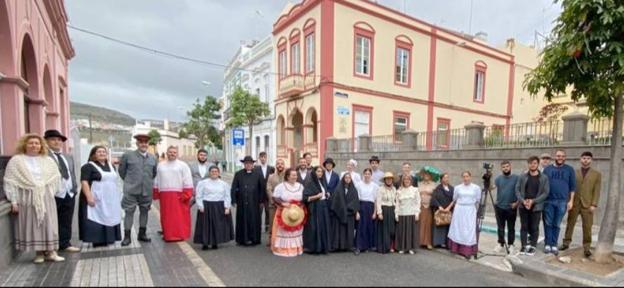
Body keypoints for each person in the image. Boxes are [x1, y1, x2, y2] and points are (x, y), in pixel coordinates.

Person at [4, 134, 64, 263]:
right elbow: (10, 181)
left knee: (49, 224)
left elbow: (56, 177)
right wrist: (14, 200)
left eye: (37, 143)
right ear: (24, 144)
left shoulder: (47, 160)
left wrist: (49, 192)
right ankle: (39, 253)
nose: (34, 146)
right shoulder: (17, 160)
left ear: (41, 145)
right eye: (30, 143)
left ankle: (52, 252)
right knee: (35, 224)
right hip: (27, 197)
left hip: (45, 196)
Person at [79, 146, 122, 247]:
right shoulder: (88, 167)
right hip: (96, 197)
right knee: (96, 217)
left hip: (110, 198)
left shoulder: (111, 166)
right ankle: (98, 240)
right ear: (93, 154)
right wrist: (89, 197)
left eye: (104, 152)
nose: (102, 153)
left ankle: (110, 238)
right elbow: (84, 182)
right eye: (99, 152)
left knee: (109, 217)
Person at [44, 129, 80, 253]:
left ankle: (64, 244)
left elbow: (72, 173)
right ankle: (50, 246)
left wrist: (74, 188)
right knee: (51, 221)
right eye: (53, 139)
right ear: (46, 141)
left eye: (59, 140)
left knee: (66, 219)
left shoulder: (68, 157)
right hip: (54, 193)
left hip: (68, 193)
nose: (57, 142)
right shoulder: (44, 157)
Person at [119, 134, 158, 246]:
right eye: (141, 142)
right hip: (131, 191)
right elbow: (122, 172)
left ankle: (142, 234)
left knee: (144, 212)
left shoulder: (153, 158)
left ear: (148, 144)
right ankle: (127, 237)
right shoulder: (128, 155)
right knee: (129, 212)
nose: (143, 144)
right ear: (137, 143)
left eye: (145, 142)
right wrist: (130, 182)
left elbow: (153, 173)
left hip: (146, 191)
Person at [562, 151, 601, 258]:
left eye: (588, 158)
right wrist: (568, 201)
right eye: (584, 158)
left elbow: (597, 191)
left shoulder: (596, 174)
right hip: (574, 203)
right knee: (570, 224)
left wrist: (594, 204)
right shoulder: (574, 172)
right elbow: (569, 188)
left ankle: (587, 248)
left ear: (591, 160)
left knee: (587, 227)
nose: (586, 160)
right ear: (580, 159)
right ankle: (566, 243)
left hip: (588, 205)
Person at [153, 146, 194, 242]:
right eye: (170, 152)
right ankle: (168, 235)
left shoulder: (183, 165)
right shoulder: (161, 165)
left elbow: (187, 179)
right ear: (167, 153)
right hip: (165, 195)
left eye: (174, 152)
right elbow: (157, 178)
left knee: (179, 216)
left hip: (179, 194)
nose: (172, 153)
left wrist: (187, 193)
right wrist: (155, 191)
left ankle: (180, 235)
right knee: (166, 216)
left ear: (177, 154)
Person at [543, 149, 576, 256]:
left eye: (562, 156)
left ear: (565, 157)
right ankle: (547, 243)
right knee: (548, 223)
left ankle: (554, 244)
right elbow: (542, 184)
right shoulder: (547, 169)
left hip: (562, 201)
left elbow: (572, 187)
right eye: (558, 156)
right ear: (555, 157)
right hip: (548, 201)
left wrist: (571, 201)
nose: (560, 158)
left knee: (557, 224)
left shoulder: (569, 170)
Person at [516, 156, 550, 256]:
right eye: (531, 163)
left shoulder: (544, 177)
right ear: (528, 164)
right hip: (524, 206)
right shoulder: (523, 176)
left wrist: (533, 201)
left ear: (538, 164)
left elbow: (545, 193)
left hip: (536, 206)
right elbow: (517, 190)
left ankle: (533, 246)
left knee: (534, 227)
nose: (532, 165)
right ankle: (523, 245)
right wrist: (523, 201)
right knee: (524, 226)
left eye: (535, 163)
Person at [194, 166, 233, 250]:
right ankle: (205, 243)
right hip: (206, 205)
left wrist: (227, 207)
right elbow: (199, 195)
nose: (214, 173)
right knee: (205, 226)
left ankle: (215, 242)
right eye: (212, 171)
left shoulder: (224, 184)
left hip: (219, 206)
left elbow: (227, 196)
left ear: (218, 173)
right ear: (209, 173)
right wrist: (200, 205)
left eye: (216, 171)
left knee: (217, 225)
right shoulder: (203, 183)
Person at [231, 156, 266, 246]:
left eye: (250, 163)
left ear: (252, 164)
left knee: (254, 220)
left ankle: (254, 239)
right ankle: (242, 239)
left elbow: (262, 188)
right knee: (242, 220)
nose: (248, 165)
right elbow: (234, 187)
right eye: (246, 163)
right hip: (242, 201)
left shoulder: (258, 174)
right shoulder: (238, 174)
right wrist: (234, 200)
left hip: (254, 201)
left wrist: (261, 201)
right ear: (244, 164)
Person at [271, 168, 305, 257]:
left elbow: (304, 198)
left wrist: (300, 204)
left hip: (296, 213)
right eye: (293, 175)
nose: (295, 177)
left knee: (295, 231)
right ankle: (282, 249)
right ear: (287, 176)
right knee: (284, 231)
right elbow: (275, 198)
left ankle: (296, 248)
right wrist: (282, 203)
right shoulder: (281, 186)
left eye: (296, 175)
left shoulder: (300, 186)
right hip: (284, 213)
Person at [448, 171, 481, 260]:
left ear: (470, 177)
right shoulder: (457, 187)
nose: (465, 178)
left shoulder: (476, 188)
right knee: (458, 228)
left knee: (468, 230)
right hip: (459, 210)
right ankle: (456, 248)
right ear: (462, 178)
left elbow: (478, 199)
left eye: (467, 176)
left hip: (470, 210)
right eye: (464, 176)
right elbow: (454, 198)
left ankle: (467, 251)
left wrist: (476, 211)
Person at [303, 166, 332, 254]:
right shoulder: (310, 183)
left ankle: (323, 247)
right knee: (315, 227)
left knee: (323, 227)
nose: (320, 173)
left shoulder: (322, 182)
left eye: (321, 172)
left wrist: (327, 194)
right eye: (318, 171)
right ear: (314, 172)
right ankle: (315, 248)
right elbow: (305, 198)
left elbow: (323, 194)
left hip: (323, 207)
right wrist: (316, 196)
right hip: (315, 207)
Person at [493, 160, 519, 254]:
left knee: (511, 227)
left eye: (507, 166)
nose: (506, 168)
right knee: (500, 227)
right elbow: (492, 187)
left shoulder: (516, 178)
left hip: (511, 207)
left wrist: (517, 203)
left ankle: (511, 244)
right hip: (500, 207)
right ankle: (500, 243)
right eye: (503, 167)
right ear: (501, 168)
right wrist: (487, 179)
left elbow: (520, 191)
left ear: (510, 167)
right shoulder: (498, 178)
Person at [329, 173, 360, 253]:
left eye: (349, 177)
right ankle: (338, 246)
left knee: (348, 231)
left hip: (349, 214)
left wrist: (352, 210)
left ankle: (348, 246)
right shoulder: (338, 188)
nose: (347, 179)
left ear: (351, 179)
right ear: (343, 179)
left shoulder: (354, 189)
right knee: (339, 231)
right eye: (346, 177)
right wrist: (342, 208)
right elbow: (335, 200)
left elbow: (355, 201)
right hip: (339, 213)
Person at [354, 168, 379, 254]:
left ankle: (368, 246)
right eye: (366, 173)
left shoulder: (375, 186)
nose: (367, 175)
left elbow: (376, 200)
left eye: (369, 174)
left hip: (371, 207)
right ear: (363, 175)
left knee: (369, 227)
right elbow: (356, 199)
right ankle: (359, 246)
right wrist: (356, 212)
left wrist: (375, 212)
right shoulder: (358, 185)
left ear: (371, 175)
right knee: (361, 227)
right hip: (361, 206)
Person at [395, 174, 421, 255]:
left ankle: (411, 248)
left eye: (408, 179)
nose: (406, 181)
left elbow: (418, 202)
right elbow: (397, 204)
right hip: (402, 213)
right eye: (405, 179)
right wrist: (396, 214)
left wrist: (417, 213)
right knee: (402, 232)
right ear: (402, 181)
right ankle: (402, 248)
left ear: (411, 181)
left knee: (411, 232)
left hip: (411, 213)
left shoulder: (415, 190)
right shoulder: (399, 191)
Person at [376, 172, 397, 254]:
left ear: (392, 180)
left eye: (390, 179)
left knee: (392, 229)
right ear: (385, 180)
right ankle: (384, 247)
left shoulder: (394, 189)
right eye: (387, 179)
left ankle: (391, 245)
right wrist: (379, 212)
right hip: (384, 209)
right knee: (384, 230)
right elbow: (378, 201)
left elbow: (395, 201)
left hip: (392, 210)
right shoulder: (381, 189)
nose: (389, 180)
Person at [266, 159, 286, 246]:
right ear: (276, 165)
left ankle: (283, 240)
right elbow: (268, 189)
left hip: (285, 204)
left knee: (285, 222)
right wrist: (273, 200)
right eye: (278, 164)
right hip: (273, 204)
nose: (280, 165)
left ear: (284, 165)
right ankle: (271, 239)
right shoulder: (271, 176)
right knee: (272, 222)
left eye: (282, 164)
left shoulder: (287, 176)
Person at [254, 152, 275, 233]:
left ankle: (267, 227)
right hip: (259, 195)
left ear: (267, 158)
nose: (263, 159)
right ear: (259, 158)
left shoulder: (271, 168)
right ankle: (257, 227)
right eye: (261, 157)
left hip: (268, 195)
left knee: (268, 212)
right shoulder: (255, 168)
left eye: (264, 157)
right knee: (258, 212)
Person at [431, 173, 454, 248]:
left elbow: (454, 199)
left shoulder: (452, 188)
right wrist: (439, 206)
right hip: (440, 211)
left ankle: (446, 243)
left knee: (447, 227)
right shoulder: (437, 188)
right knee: (439, 226)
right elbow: (433, 198)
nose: (446, 179)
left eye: (447, 177)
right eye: (444, 178)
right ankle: (438, 242)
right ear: (441, 179)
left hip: (448, 210)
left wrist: (449, 207)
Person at [418, 169, 437, 250]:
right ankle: (419, 242)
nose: (426, 176)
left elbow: (436, 195)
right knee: (420, 224)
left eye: (428, 175)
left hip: (429, 206)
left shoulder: (434, 184)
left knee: (428, 224)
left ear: (430, 176)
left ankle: (428, 242)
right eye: (425, 175)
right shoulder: (419, 183)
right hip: (420, 206)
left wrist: (430, 193)